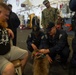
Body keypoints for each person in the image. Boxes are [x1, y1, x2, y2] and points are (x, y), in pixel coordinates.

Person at [0, 3, 28, 75]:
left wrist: (7, 29)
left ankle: (19, 73)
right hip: (1, 55)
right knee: (9, 68)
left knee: (25, 54)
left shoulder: (2, 23)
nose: (8, 18)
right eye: (6, 15)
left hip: (8, 50)